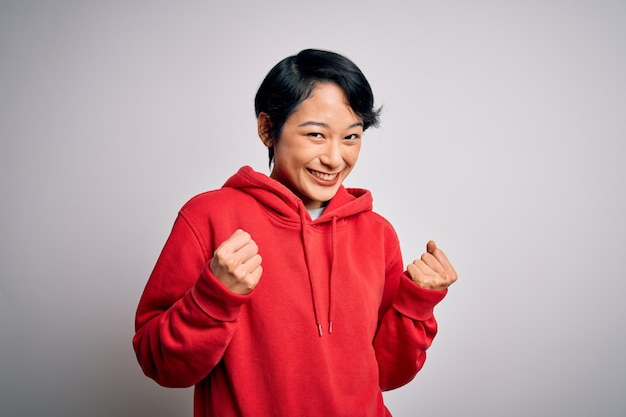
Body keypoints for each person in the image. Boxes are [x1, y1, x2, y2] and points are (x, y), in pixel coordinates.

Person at [133, 48, 457, 417]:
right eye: (316, 135)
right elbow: (161, 366)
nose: (335, 159)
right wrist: (213, 297)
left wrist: (417, 304)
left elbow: (387, 374)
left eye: (351, 137)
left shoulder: (378, 233)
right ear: (267, 129)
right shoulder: (208, 217)